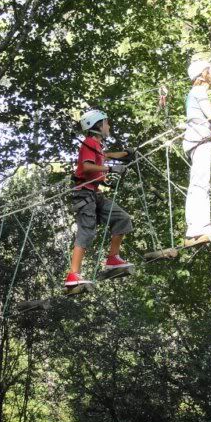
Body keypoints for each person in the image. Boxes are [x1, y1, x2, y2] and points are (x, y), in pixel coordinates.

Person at [65, 109, 134, 288]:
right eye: (106, 123)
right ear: (97, 125)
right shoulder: (89, 143)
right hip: (84, 194)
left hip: (94, 194)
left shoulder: (96, 145)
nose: (108, 126)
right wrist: (110, 170)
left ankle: (112, 258)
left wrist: (126, 154)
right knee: (87, 231)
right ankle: (73, 276)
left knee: (121, 218)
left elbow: (106, 156)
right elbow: (87, 167)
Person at [183, 60, 211, 239]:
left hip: (195, 139)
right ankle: (199, 225)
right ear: (203, 74)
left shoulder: (193, 93)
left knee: (197, 182)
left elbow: (203, 114)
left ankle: (196, 224)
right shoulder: (200, 91)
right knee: (201, 183)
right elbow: (209, 115)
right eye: (210, 71)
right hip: (200, 140)